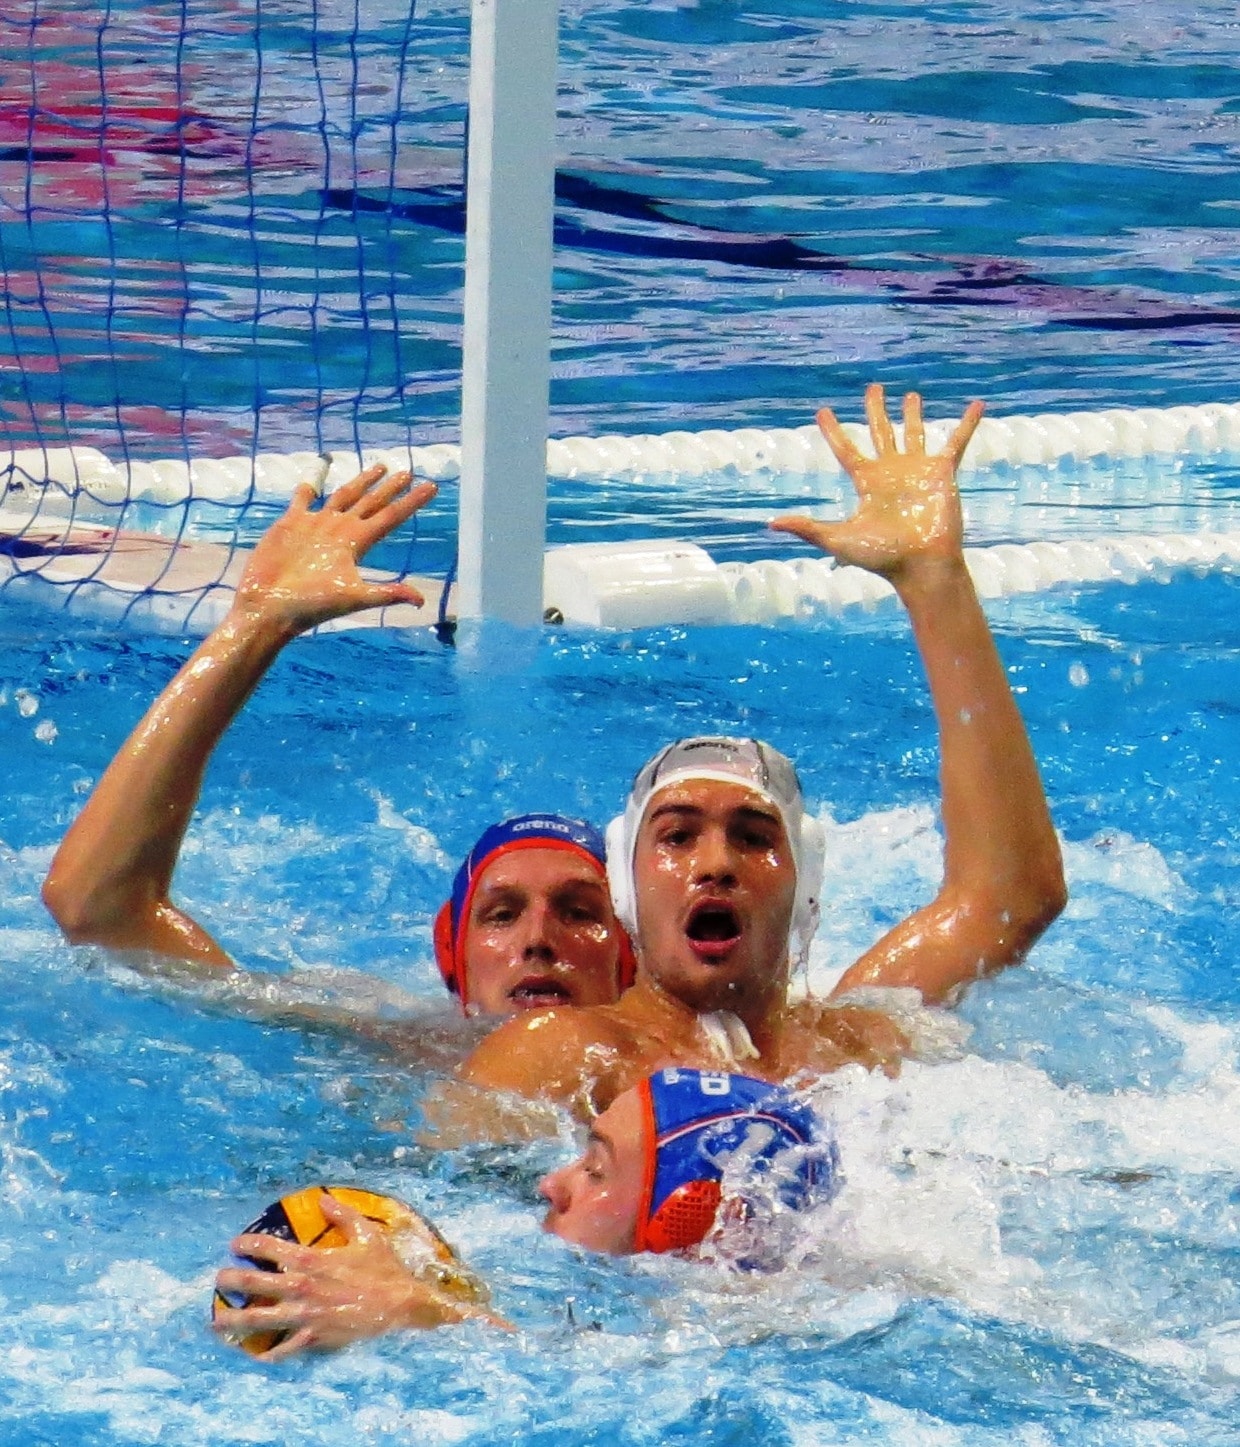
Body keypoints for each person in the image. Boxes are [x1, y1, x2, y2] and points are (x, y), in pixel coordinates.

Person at [447, 384, 1068, 1120]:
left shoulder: (862, 1042)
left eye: (754, 837)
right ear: (627, 892)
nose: (715, 863)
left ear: (806, 883)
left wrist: (937, 582)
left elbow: (1010, 897)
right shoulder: (559, 1055)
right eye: (676, 836)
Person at [40, 467, 635, 1026]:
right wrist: (257, 624)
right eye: (500, 915)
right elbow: (95, 907)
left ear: (633, 956)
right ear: (455, 959)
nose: (538, 940)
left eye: (580, 913)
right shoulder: (394, 1045)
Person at [210, 1067, 837, 1357]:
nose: (550, 1184)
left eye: (595, 1170)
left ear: (693, 1222)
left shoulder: (744, 1347)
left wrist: (414, 1312)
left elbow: (601, 1386)